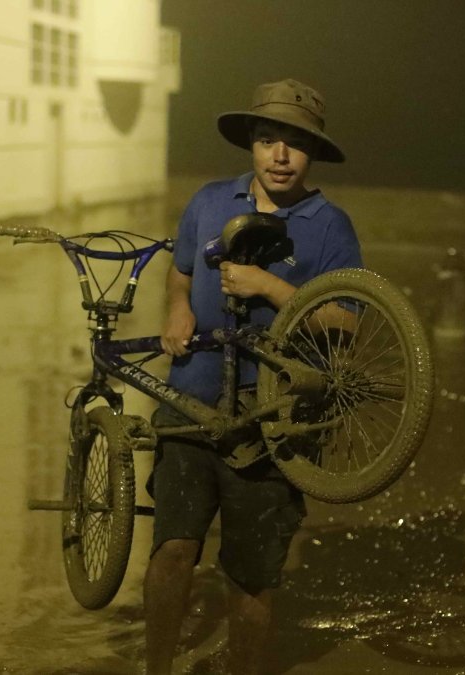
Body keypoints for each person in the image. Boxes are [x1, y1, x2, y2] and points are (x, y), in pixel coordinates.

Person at [144, 78, 362, 675]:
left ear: (311, 152)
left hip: (276, 420)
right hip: (190, 397)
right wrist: (177, 308)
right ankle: (154, 668)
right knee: (173, 551)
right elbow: (182, 272)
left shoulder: (330, 226)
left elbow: (346, 321)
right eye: (268, 140)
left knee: (251, 576)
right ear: (252, 146)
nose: (280, 156)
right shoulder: (210, 201)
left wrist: (270, 287)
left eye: (294, 144)